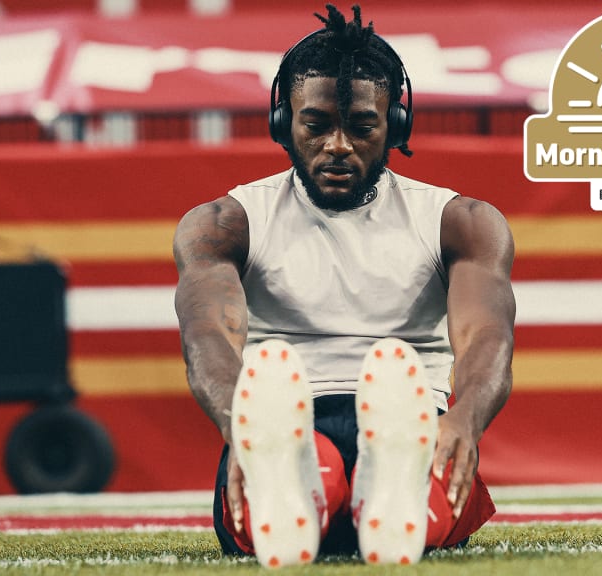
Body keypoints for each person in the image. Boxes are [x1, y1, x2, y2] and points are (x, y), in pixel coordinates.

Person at [173, 3, 514, 567]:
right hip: (280, 417)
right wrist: (242, 431)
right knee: (339, 465)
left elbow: (486, 336)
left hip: (411, 416)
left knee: (392, 460)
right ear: (284, 122)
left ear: (394, 126)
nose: (337, 145)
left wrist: (464, 419)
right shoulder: (225, 224)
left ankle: (326, 481)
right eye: (316, 125)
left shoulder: (460, 222)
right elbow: (209, 334)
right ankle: (322, 471)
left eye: (361, 127)